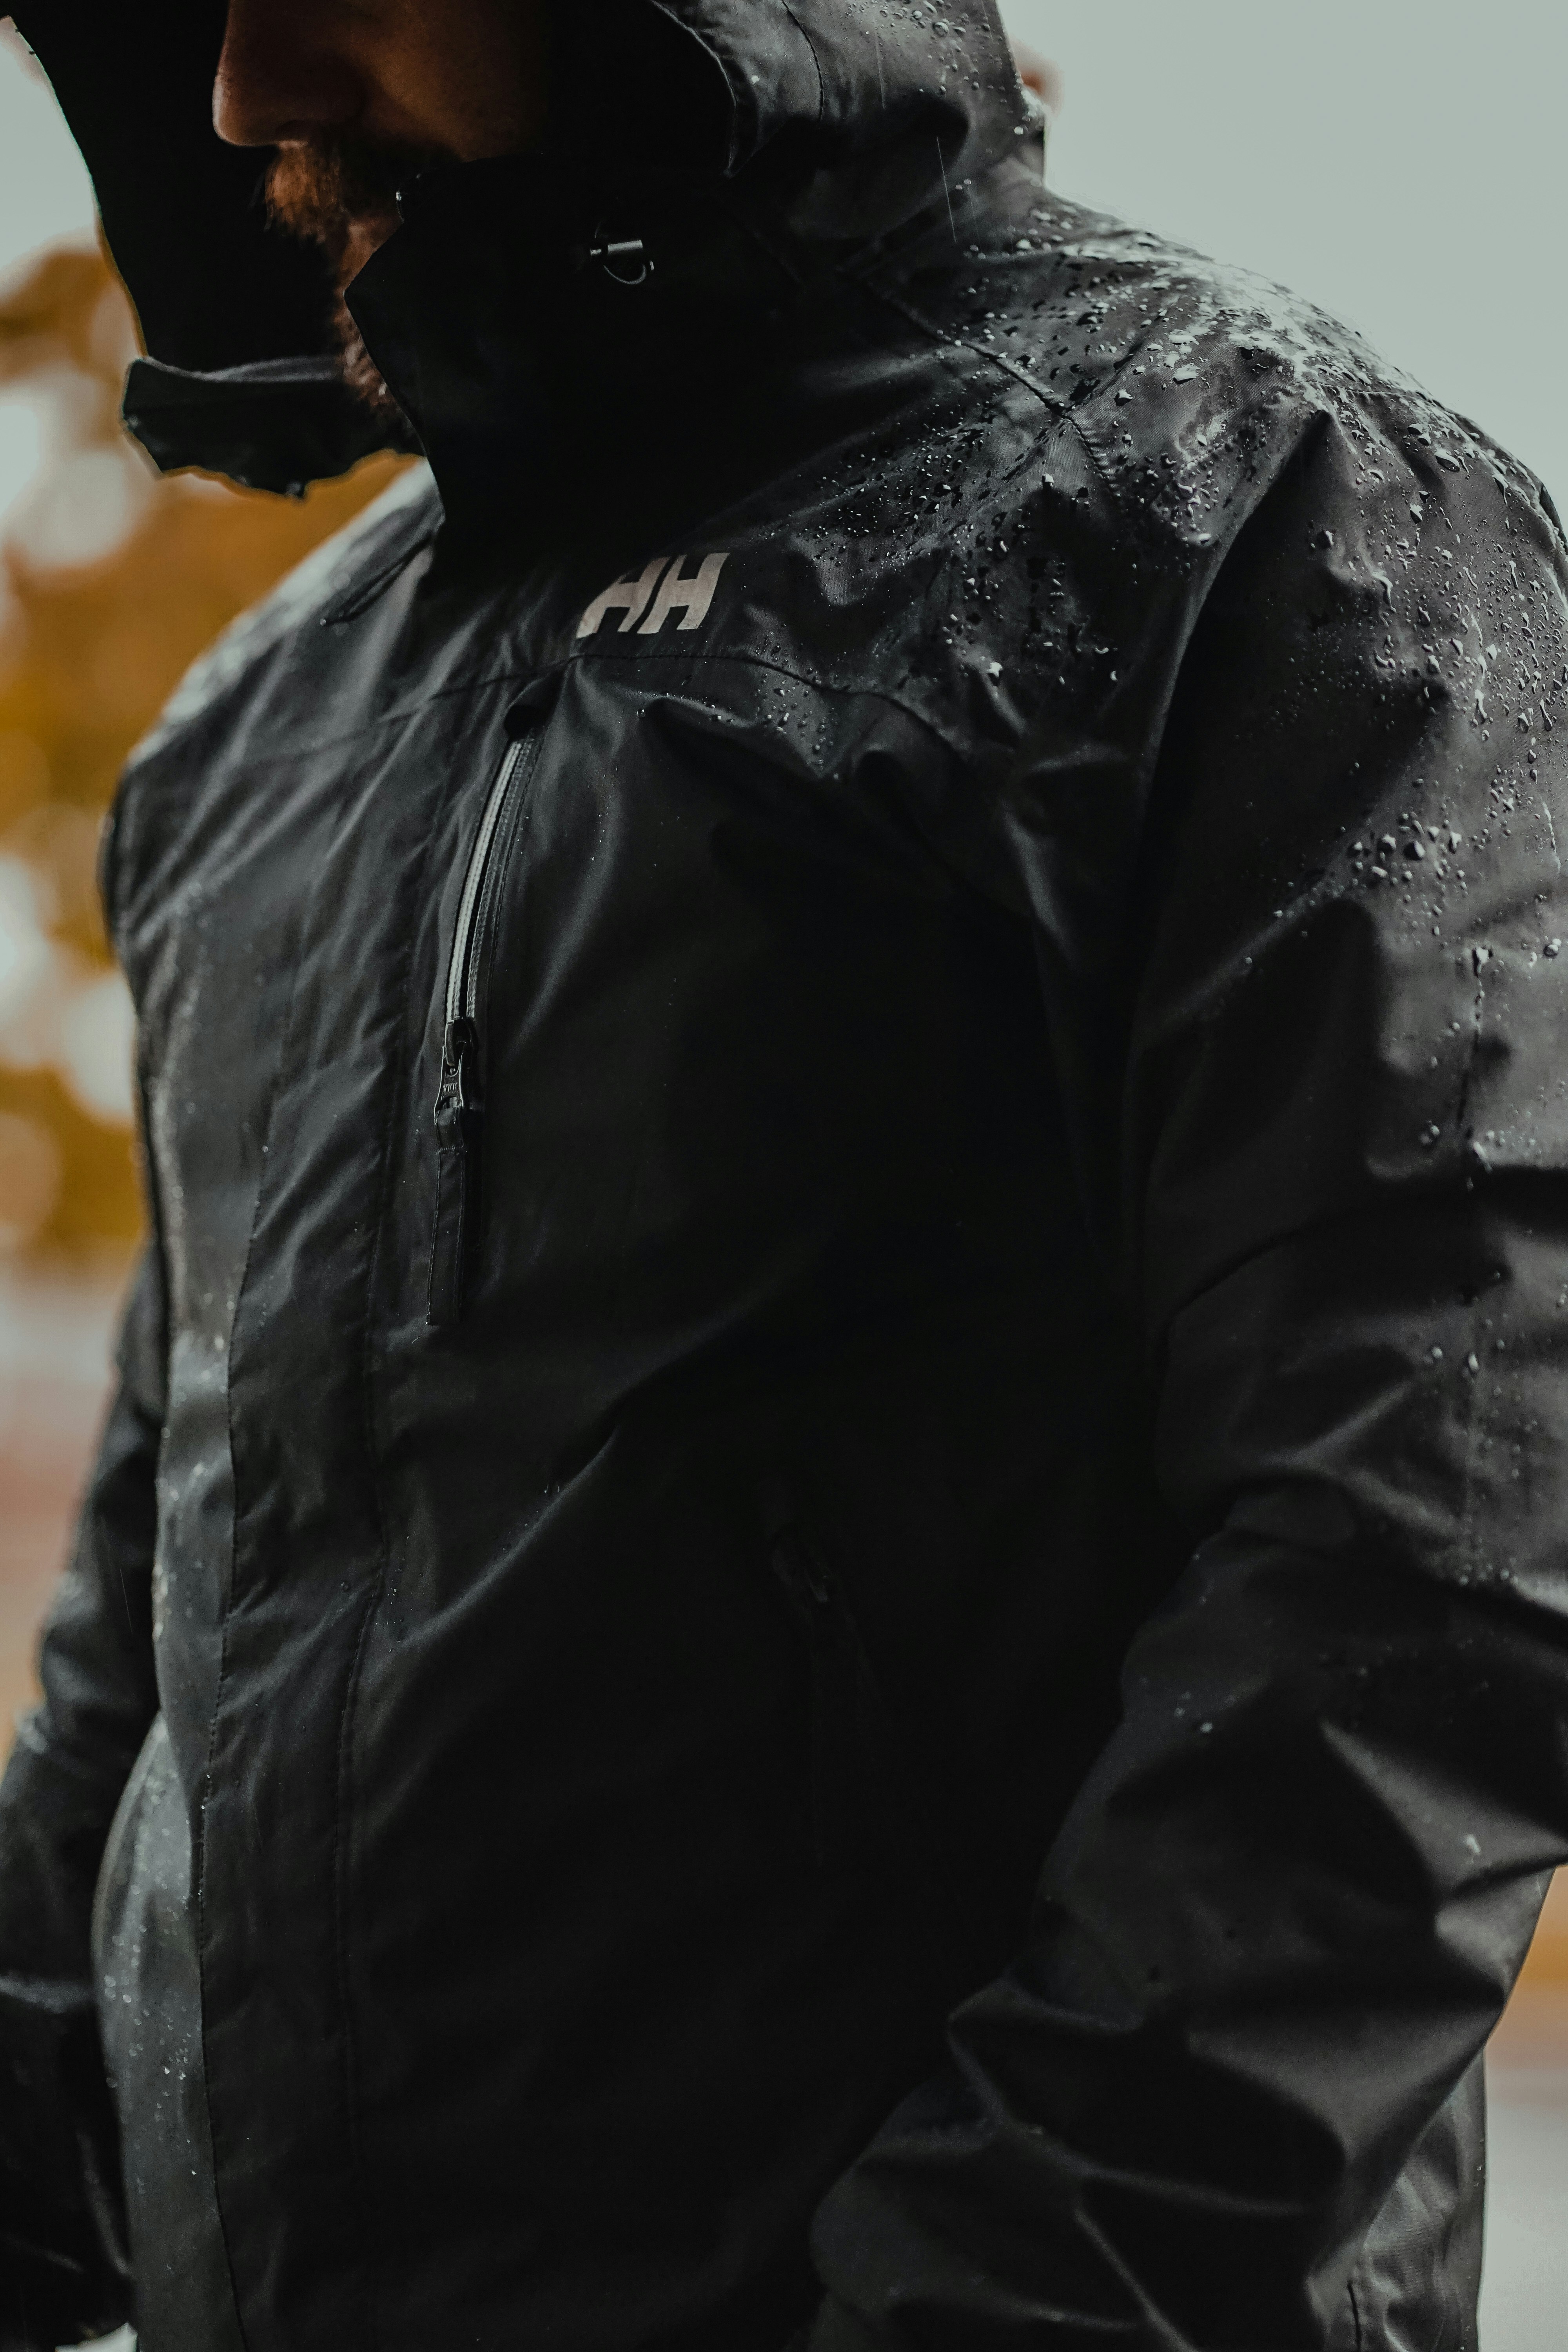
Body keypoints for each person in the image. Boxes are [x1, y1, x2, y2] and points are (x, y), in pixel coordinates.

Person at [0, 0, 1564, 2345]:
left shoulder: (1263, 517)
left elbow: (1416, 1585)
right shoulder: (262, 739)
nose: (244, 91)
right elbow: (164, 1668)